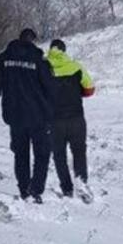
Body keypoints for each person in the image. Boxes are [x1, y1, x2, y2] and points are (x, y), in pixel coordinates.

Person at [0, 28, 55, 204]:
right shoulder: (39, 59)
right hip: (38, 115)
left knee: (21, 154)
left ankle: (24, 190)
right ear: (32, 41)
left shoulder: (3, 59)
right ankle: (36, 190)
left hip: (14, 115)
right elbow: (51, 88)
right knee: (42, 154)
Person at [46, 39, 95, 201]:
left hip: (54, 120)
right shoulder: (76, 66)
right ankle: (81, 182)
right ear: (64, 51)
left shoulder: (44, 68)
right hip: (76, 117)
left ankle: (67, 188)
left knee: (59, 154)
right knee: (79, 151)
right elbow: (89, 90)